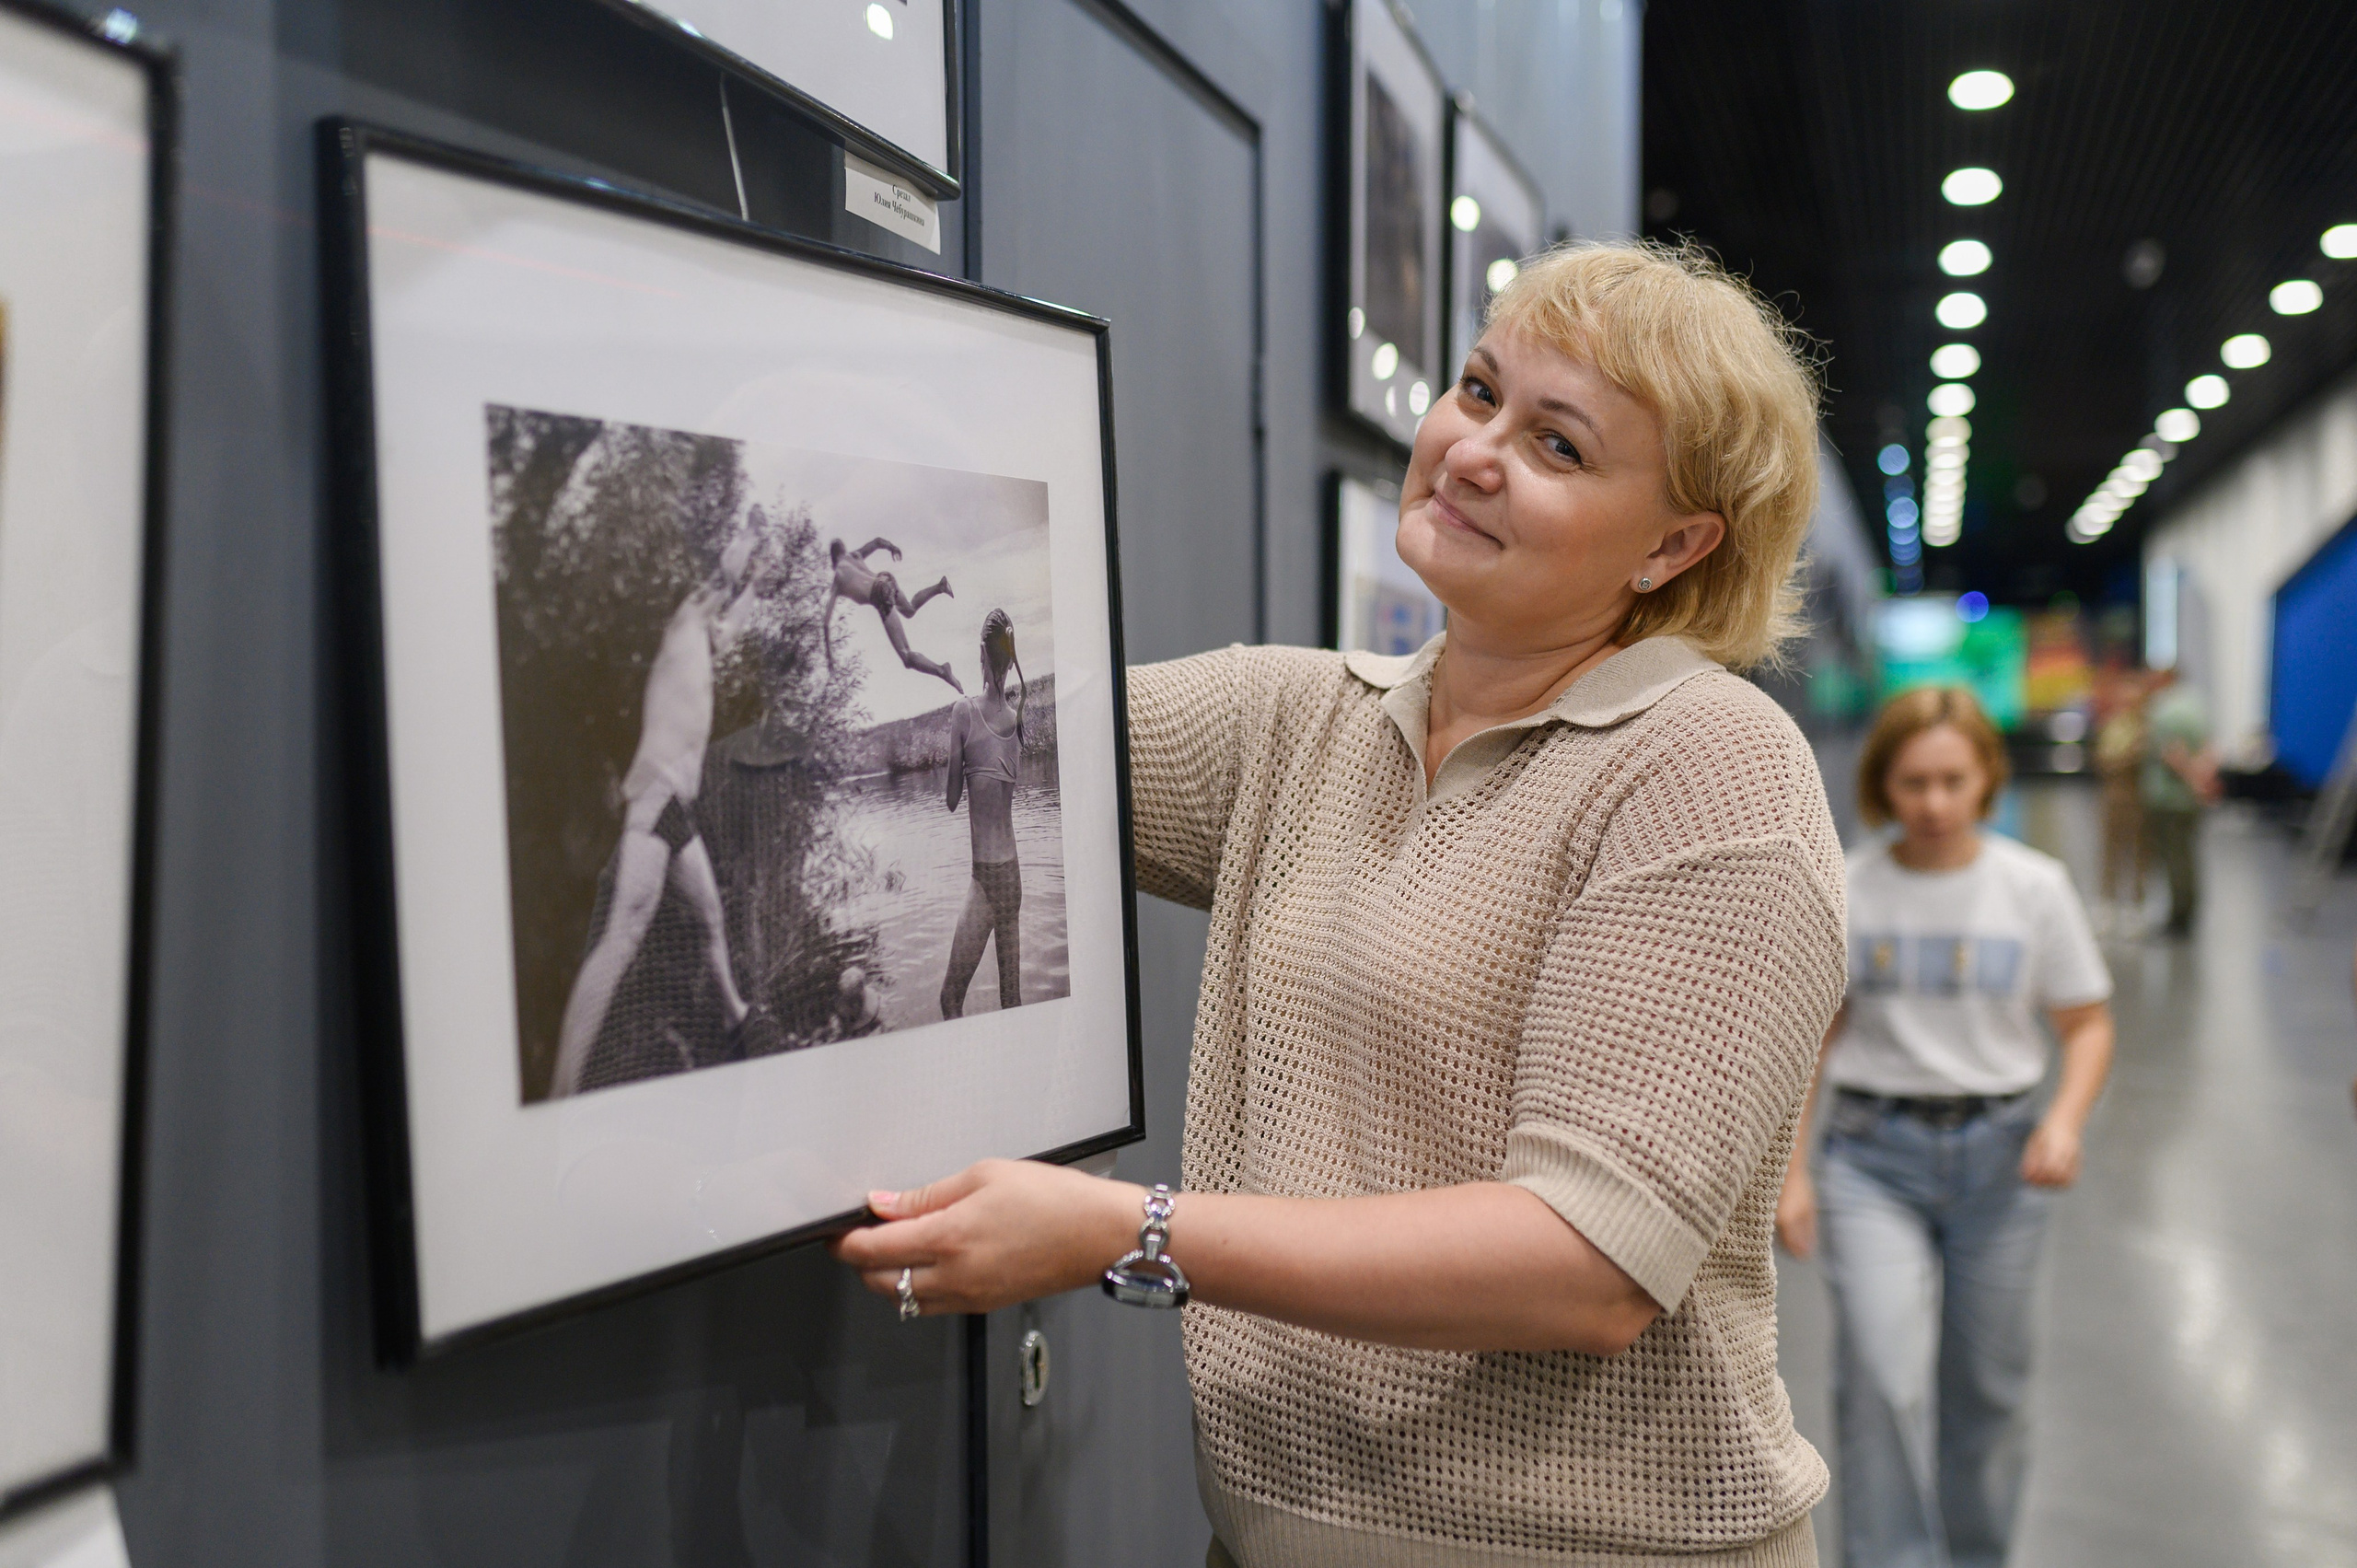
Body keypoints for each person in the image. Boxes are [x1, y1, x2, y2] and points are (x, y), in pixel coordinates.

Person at [838, 240, 1852, 1566]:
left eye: (1557, 444)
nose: (1475, 448)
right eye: (1478, 389)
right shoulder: (1300, 720)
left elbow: (1587, 1262)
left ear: (1675, 542)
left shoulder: (1710, 766)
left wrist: (1121, 1228)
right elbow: (992, 733)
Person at [1777, 686, 2115, 1568]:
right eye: (1913, 781)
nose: (1932, 801)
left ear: (1986, 781)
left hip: (2003, 1165)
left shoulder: (2033, 889)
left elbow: (2086, 1022)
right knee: (1883, 1380)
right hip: (1870, 1159)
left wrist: (2066, 1122)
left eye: (1952, 780)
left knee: (1990, 1393)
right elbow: (1818, 1034)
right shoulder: (1851, 886)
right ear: (1884, 785)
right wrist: (1793, 1171)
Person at [549, 515, 775, 1098]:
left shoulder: (703, 641)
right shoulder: (683, 620)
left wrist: (756, 587)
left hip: (679, 809)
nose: (717, 607)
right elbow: (719, 586)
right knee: (621, 938)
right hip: (655, 795)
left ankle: (733, 1016)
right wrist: (748, 542)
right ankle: (561, 1091)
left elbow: (730, 623)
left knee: (709, 917)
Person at [939, 610, 1029, 1018]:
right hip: (1013, 876)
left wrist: (955, 754)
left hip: (987, 879)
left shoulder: (964, 713)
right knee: (1012, 1002)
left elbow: (952, 799)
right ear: (1011, 660)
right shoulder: (1016, 720)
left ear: (981, 652)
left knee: (950, 999)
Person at [824, 535, 961, 692]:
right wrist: (891, 547)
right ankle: (940, 587)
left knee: (906, 657)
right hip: (886, 578)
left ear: (833, 558)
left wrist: (829, 658)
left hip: (879, 593)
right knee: (909, 610)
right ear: (843, 550)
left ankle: (942, 671)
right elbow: (876, 542)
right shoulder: (854, 556)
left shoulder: (838, 580)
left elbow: (826, 623)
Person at [2140, 672, 2218, 936]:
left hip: (2169, 799)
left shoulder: (2165, 711)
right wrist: (2204, 782)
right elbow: (2208, 749)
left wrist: (2192, 780)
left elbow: (2173, 754)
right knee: (2189, 856)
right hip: (2190, 800)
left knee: (2175, 859)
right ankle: (2190, 910)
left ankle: (2179, 917)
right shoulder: (2196, 707)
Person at [2090, 668, 2148, 934]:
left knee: (2137, 853)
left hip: (2137, 798)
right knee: (2110, 852)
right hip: (2112, 797)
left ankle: (2135, 906)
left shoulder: (2145, 727)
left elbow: (2135, 757)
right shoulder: (2112, 725)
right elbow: (2102, 757)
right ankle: (2108, 903)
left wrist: (2118, 761)